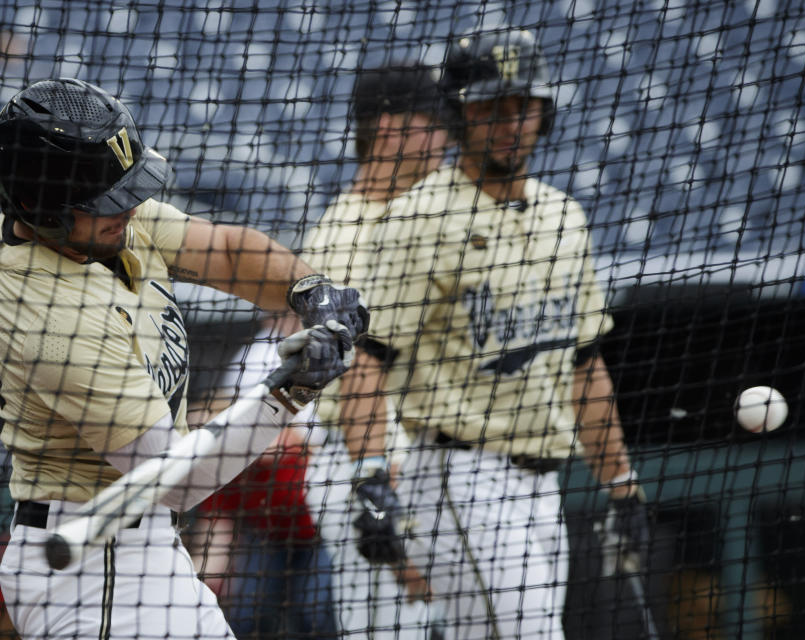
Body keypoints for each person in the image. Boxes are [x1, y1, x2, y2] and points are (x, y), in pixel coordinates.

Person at [0, 78, 367, 639]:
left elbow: (227, 252)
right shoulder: (48, 315)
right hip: (91, 573)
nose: (130, 208)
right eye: (107, 203)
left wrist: (311, 292)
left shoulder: (99, 226)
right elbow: (175, 479)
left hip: (141, 554)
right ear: (40, 208)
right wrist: (292, 391)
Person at [304, 30, 650, 640]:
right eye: (488, 109)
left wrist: (621, 486)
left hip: (540, 477)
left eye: (523, 105)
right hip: (436, 466)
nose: (509, 124)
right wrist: (375, 479)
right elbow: (365, 366)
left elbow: (583, 363)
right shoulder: (401, 222)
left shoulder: (563, 217)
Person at [302, 62, 454, 638]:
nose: (445, 138)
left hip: (418, 465)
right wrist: (381, 489)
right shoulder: (348, 233)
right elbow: (349, 378)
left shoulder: (420, 215)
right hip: (368, 467)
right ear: (389, 129)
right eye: (433, 124)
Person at [186, 313, 337, 640]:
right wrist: (201, 585)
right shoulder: (226, 469)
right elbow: (217, 525)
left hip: (318, 532)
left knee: (315, 616)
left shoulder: (298, 458)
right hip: (268, 537)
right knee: (248, 615)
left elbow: (296, 440)